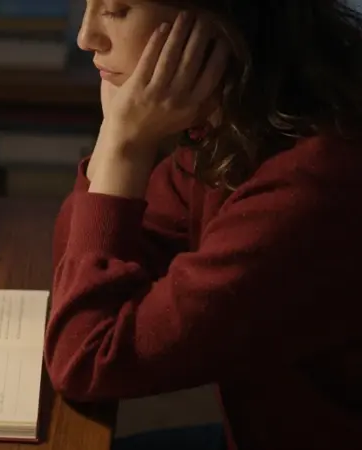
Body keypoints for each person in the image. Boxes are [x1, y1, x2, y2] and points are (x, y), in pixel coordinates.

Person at [43, 1, 362, 450]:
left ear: (220, 20)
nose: (86, 36)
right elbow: (86, 270)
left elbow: (86, 357)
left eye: (116, 9)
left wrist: (125, 147)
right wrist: (113, 144)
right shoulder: (242, 122)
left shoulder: (309, 185)